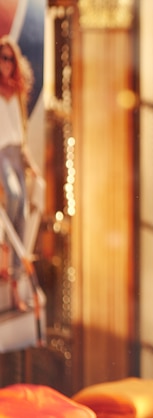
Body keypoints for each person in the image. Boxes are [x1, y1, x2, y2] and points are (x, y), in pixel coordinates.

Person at [0, 35, 39, 312]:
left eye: (10, 58)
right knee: (13, 197)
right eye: (2, 58)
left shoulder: (18, 94)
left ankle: (14, 283)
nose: (6, 63)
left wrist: (32, 164)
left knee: (22, 218)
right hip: (1, 154)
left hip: (16, 153)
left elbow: (21, 135)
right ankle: (8, 253)